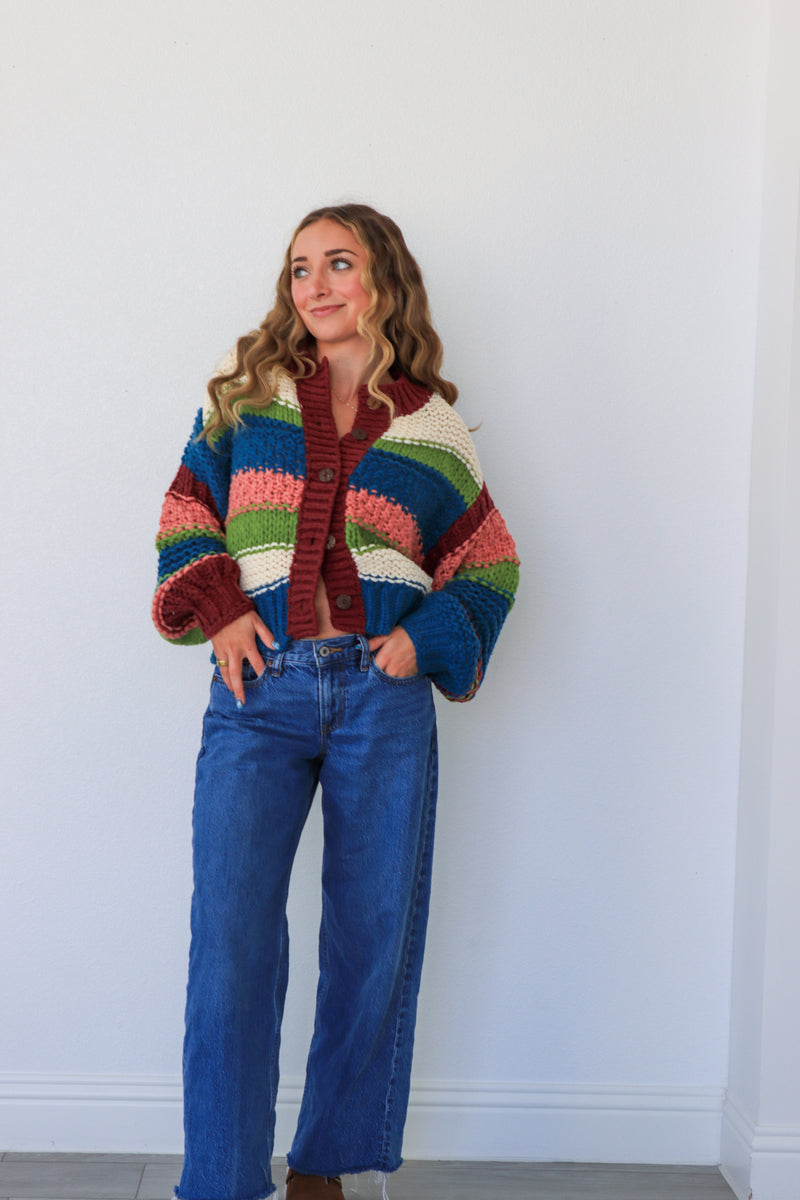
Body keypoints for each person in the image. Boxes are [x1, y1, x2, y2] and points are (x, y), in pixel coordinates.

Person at [153, 203, 519, 1200]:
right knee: (230, 940)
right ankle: (221, 1179)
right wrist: (221, 609)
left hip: (378, 699)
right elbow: (187, 513)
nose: (314, 285)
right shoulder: (245, 401)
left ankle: (322, 1163)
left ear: (380, 281)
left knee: (370, 939)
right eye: (299, 267)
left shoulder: (432, 427)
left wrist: (424, 640)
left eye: (337, 263)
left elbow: (486, 564)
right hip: (256, 688)